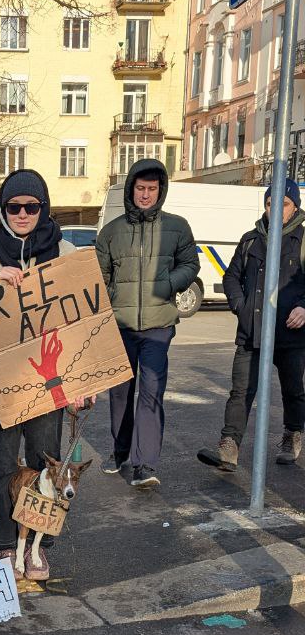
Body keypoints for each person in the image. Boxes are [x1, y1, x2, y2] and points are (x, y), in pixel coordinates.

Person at [0, 168, 78, 582]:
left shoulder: (66, 253)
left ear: (43, 208)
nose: (23, 214)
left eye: (31, 206)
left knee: (48, 465)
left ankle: (40, 547)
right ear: (3, 209)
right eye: (14, 206)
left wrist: (82, 381)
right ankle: (7, 543)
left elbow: (84, 320)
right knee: (4, 463)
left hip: (49, 381)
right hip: (2, 382)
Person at [95, 158, 199, 488]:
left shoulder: (178, 227)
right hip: (120, 327)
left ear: (161, 191)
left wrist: (168, 284)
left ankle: (145, 465)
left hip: (158, 327)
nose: (145, 195)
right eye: (140, 188)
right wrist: (112, 296)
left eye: (152, 189)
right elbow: (99, 275)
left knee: (151, 393)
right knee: (121, 395)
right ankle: (120, 450)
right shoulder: (112, 231)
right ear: (131, 189)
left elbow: (190, 264)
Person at [197, 179, 305, 471]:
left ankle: (292, 435)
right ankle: (229, 448)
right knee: (241, 390)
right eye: (271, 204)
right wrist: (240, 306)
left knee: (293, 390)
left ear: (294, 206)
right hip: (252, 330)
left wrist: (303, 307)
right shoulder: (250, 239)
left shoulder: (303, 240)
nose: (276, 210)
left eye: (283, 204)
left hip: (291, 333)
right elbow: (231, 276)